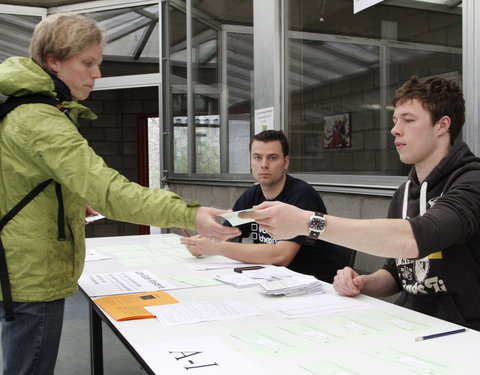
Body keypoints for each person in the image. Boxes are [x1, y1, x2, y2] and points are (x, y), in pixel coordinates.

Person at [0, 13, 239, 375]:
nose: (97, 74)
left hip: (18, 263)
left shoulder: (18, 108)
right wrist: (188, 213)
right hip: (33, 273)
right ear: (53, 61)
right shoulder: (40, 119)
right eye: (88, 63)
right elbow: (111, 191)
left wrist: (70, 204)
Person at [241, 76, 480, 331]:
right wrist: (363, 283)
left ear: (442, 125)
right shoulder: (404, 193)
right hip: (411, 324)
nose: (395, 130)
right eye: (395, 121)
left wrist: (307, 222)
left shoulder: (471, 182)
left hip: (464, 335)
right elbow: (398, 273)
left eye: (408, 120)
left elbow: (415, 240)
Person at [181, 130, 346, 282]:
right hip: (273, 280)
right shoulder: (252, 195)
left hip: (318, 285)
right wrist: (202, 243)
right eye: (257, 157)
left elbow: (281, 256)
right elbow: (226, 234)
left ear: (285, 162)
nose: (264, 165)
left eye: (272, 158)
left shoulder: (302, 195)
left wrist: (217, 247)